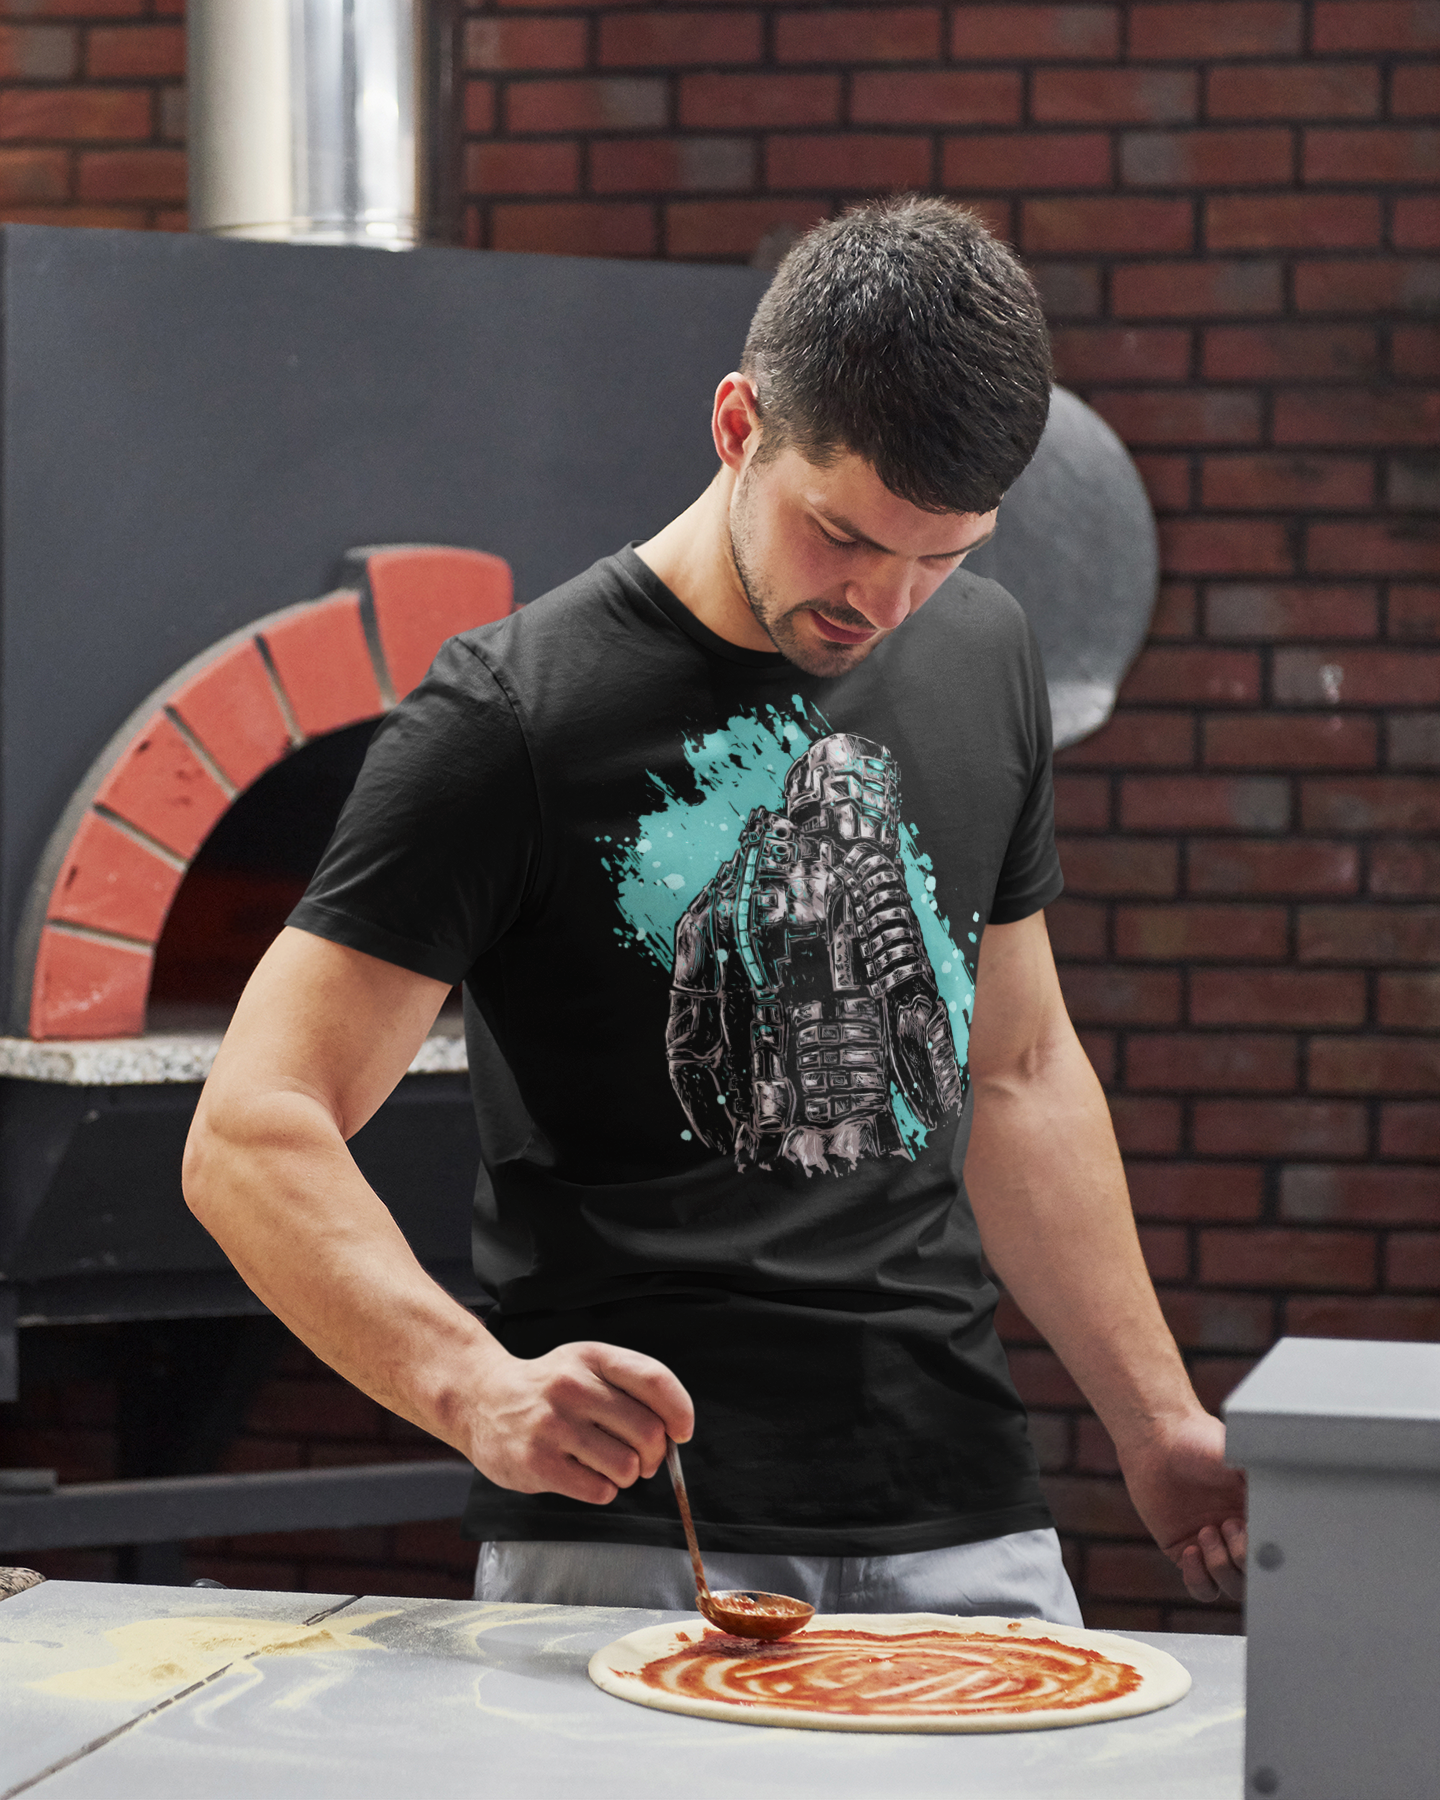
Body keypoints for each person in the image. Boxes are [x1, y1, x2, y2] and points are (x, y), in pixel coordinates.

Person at [185, 197, 1246, 1621]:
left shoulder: (984, 652)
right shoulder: (509, 714)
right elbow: (253, 1127)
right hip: (637, 1536)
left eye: (944, 553)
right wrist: (472, 1387)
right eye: (843, 536)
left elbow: (1019, 1070)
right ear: (739, 425)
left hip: (964, 1513)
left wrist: (1156, 1421)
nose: (888, 602)